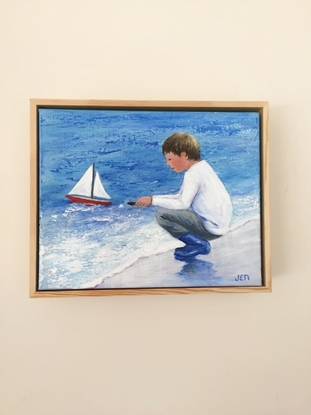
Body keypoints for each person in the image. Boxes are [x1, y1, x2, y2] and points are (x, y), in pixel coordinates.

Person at [135, 132, 232, 260]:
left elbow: (182, 204)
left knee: (162, 215)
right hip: (221, 226)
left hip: (210, 228)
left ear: (184, 154)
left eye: (169, 159)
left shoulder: (192, 174)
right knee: (172, 211)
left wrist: (153, 201)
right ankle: (197, 243)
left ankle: (199, 244)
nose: (167, 164)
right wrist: (152, 198)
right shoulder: (202, 167)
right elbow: (180, 196)